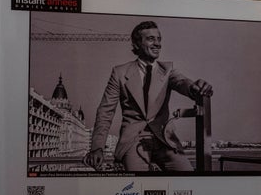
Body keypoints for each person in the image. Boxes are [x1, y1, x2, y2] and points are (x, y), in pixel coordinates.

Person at [84, 20, 213, 172]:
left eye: (159, 39)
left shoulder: (167, 70)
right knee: (137, 184)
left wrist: (194, 87)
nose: (157, 44)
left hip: (165, 139)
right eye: (151, 39)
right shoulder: (119, 73)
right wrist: (97, 147)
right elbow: (106, 111)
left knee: (188, 178)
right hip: (133, 140)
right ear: (137, 44)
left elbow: (182, 82)